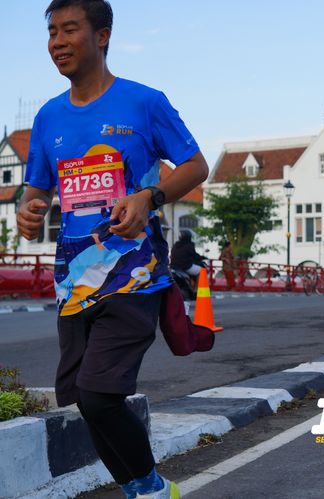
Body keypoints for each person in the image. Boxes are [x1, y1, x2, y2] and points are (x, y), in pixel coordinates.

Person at [16, 1, 208, 497]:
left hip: (134, 274)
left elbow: (196, 166)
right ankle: (139, 487)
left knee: (100, 394)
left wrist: (150, 196)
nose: (58, 42)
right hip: (74, 281)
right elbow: (37, 188)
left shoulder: (144, 102)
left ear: (102, 36)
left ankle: (154, 488)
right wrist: (29, 210)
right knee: (84, 399)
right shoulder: (48, 117)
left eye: (69, 29)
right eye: (52, 32)